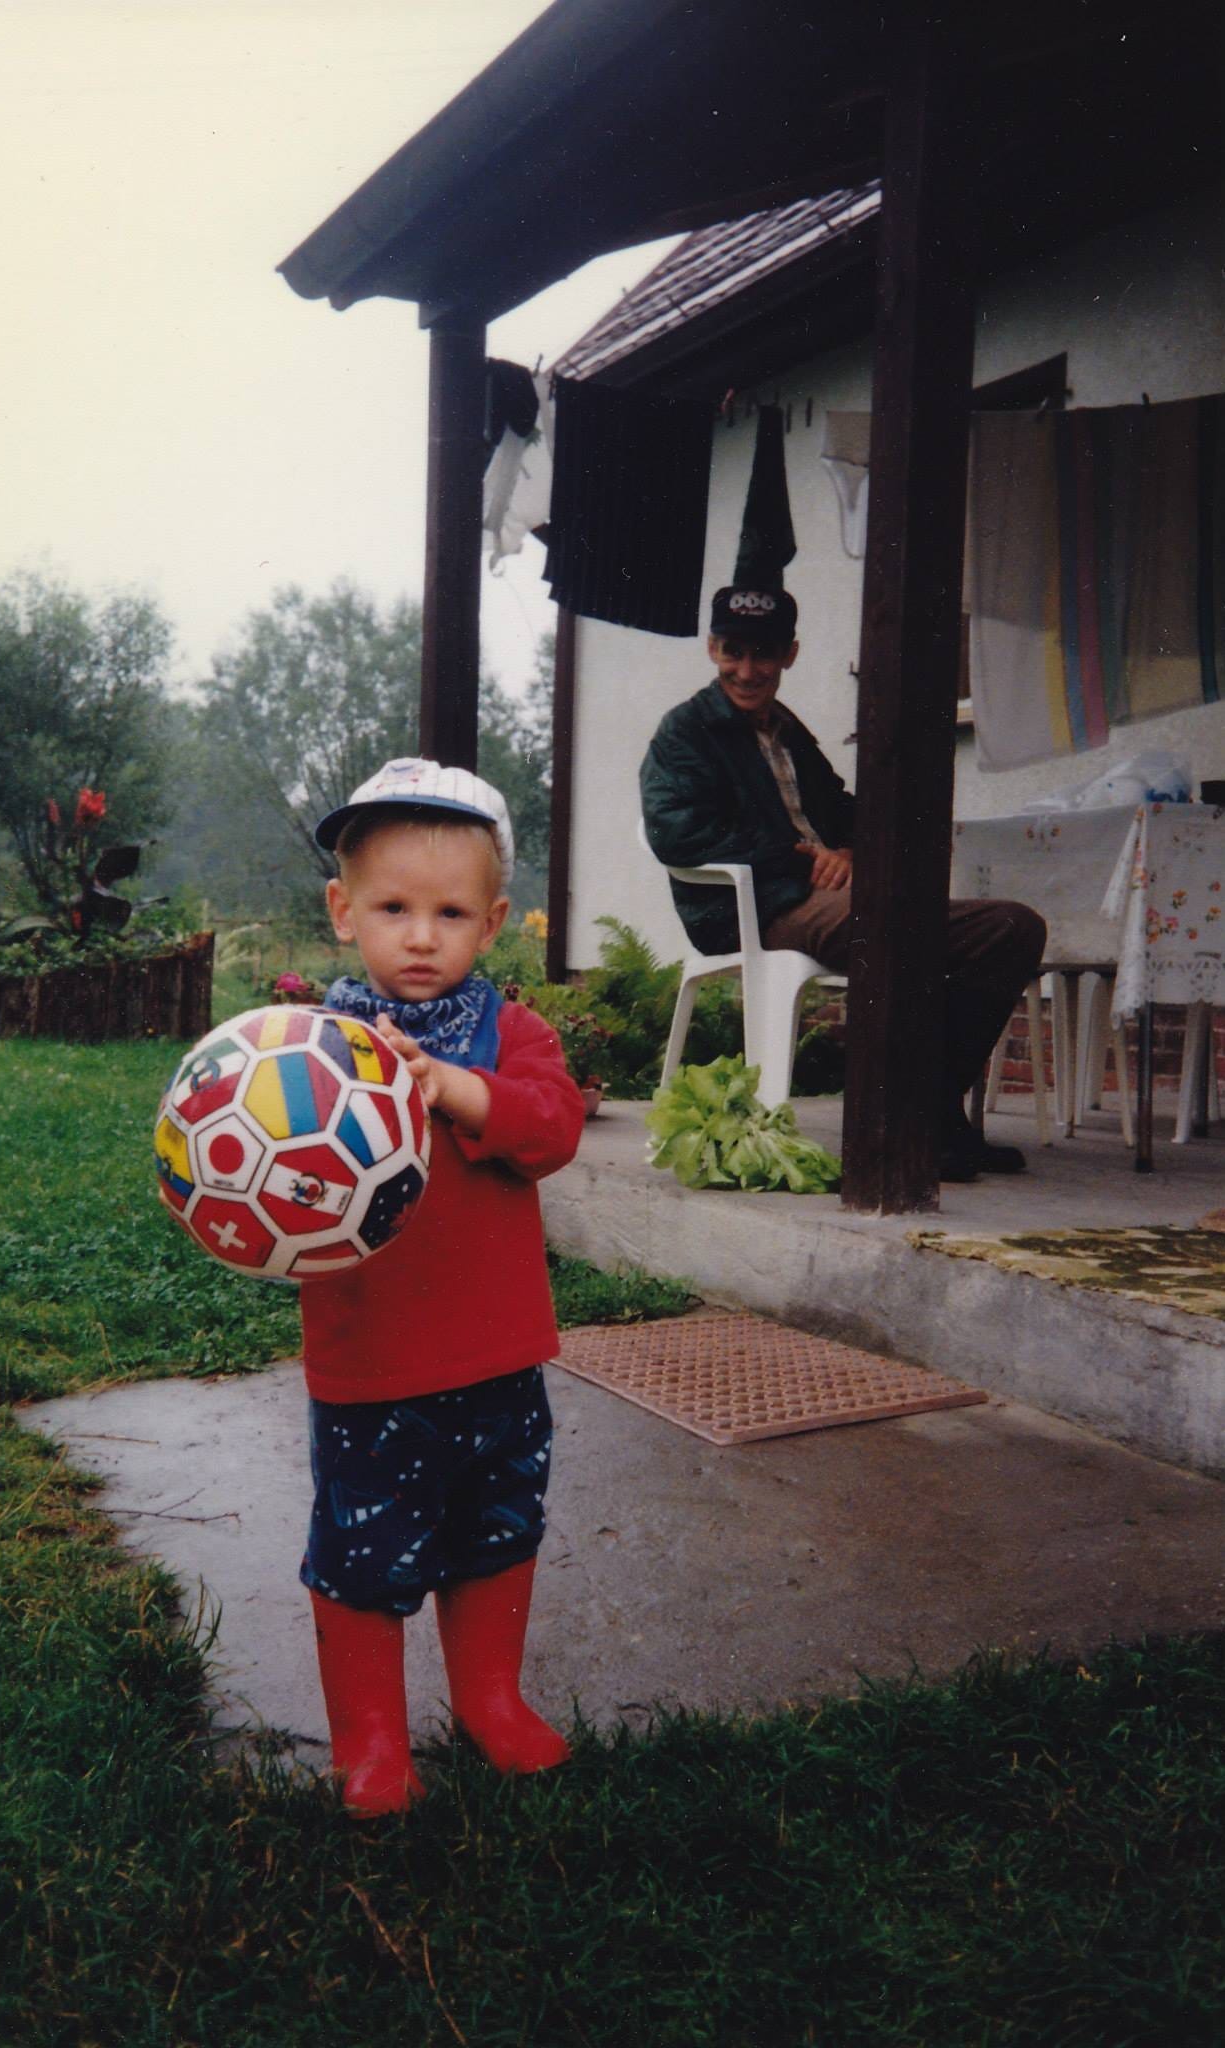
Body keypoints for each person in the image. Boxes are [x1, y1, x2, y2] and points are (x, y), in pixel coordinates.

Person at [298, 756, 585, 1815]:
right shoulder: (314, 1050)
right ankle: (369, 1741)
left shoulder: (511, 1034)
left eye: (451, 911)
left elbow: (551, 1128)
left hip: (501, 1356)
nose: (422, 934)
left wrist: (464, 1089)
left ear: (494, 921)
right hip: (370, 1365)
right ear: (343, 911)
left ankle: (490, 1702)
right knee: (365, 1549)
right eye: (393, 906)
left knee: (497, 1527)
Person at [640, 585, 1047, 1181]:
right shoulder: (685, 732)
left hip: (837, 896)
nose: (747, 671)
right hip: (756, 907)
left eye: (765, 654)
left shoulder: (787, 731)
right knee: (892, 925)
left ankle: (929, 1111)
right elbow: (679, 835)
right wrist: (801, 860)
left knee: (1011, 928)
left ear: (791, 654)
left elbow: (843, 807)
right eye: (733, 653)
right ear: (711, 649)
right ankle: (902, 1125)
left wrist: (854, 851)